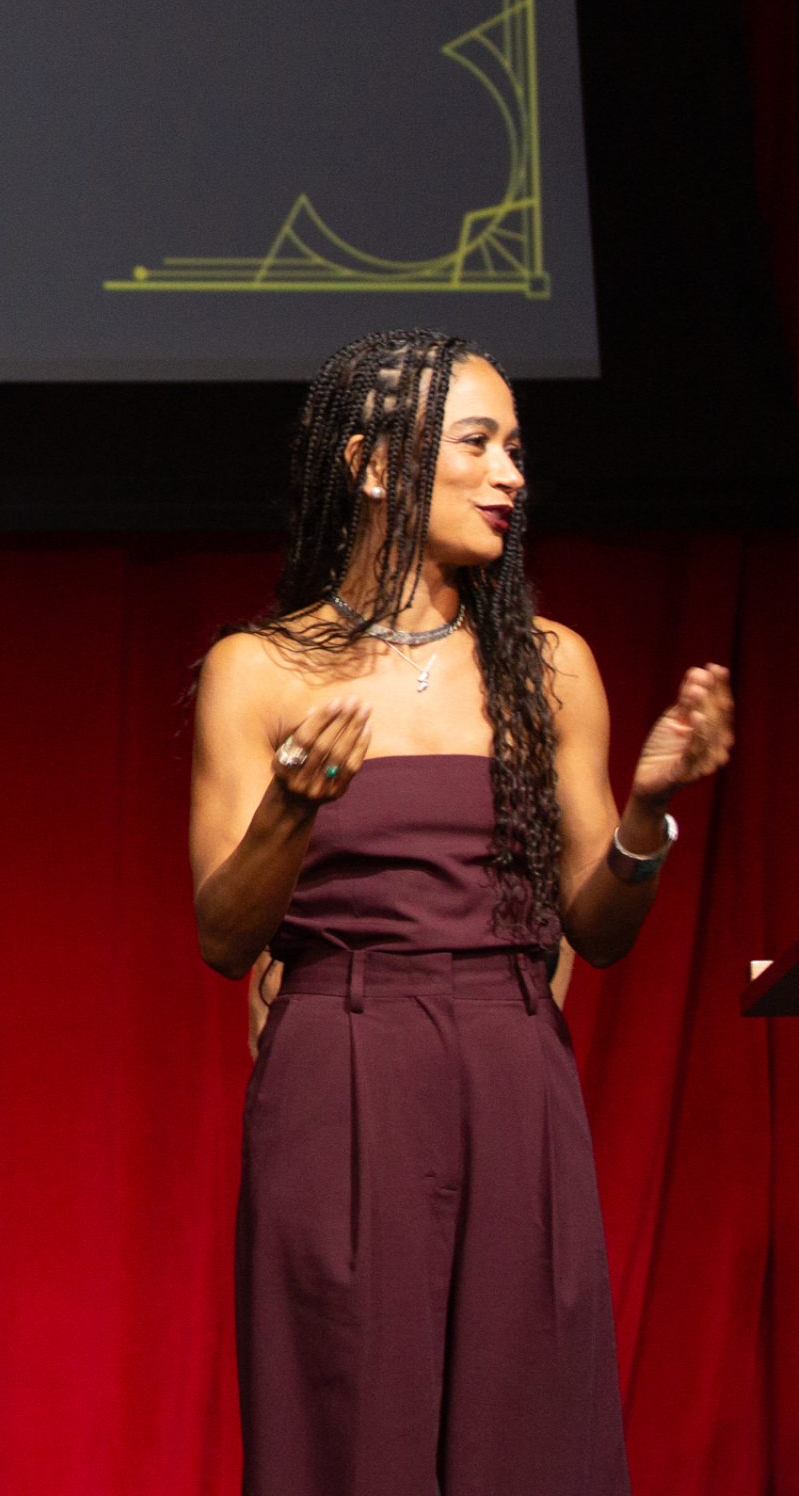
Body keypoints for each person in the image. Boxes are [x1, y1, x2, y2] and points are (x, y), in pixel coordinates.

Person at [189, 328, 734, 1495]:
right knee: (350, 1423)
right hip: (345, 1058)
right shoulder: (264, 667)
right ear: (374, 464)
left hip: (511, 1054)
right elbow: (221, 934)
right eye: (478, 444)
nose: (511, 476)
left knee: (526, 1421)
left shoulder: (552, 667)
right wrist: (294, 807)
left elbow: (598, 928)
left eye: (517, 450)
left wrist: (645, 812)